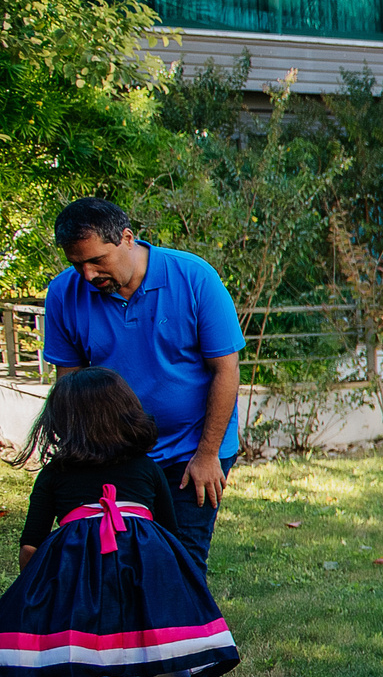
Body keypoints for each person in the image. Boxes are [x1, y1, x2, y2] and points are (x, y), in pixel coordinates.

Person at [2, 368, 240, 677]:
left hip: (78, 596)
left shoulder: (54, 475)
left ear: (64, 420)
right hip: (143, 589)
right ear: (127, 413)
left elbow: (30, 546)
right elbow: (169, 537)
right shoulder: (147, 469)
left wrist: (39, 600)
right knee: (173, 673)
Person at [41, 198, 245, 570]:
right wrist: (75, 454)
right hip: (113, 451)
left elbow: (226, 370)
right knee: (116, 561)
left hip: (190, 449)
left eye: (97, 260)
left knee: (180, 562)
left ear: (127, 238)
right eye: (77, 264)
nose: (87, 275)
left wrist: (207, 455)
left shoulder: (194, 277)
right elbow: (70, 385)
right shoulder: (63, 294)